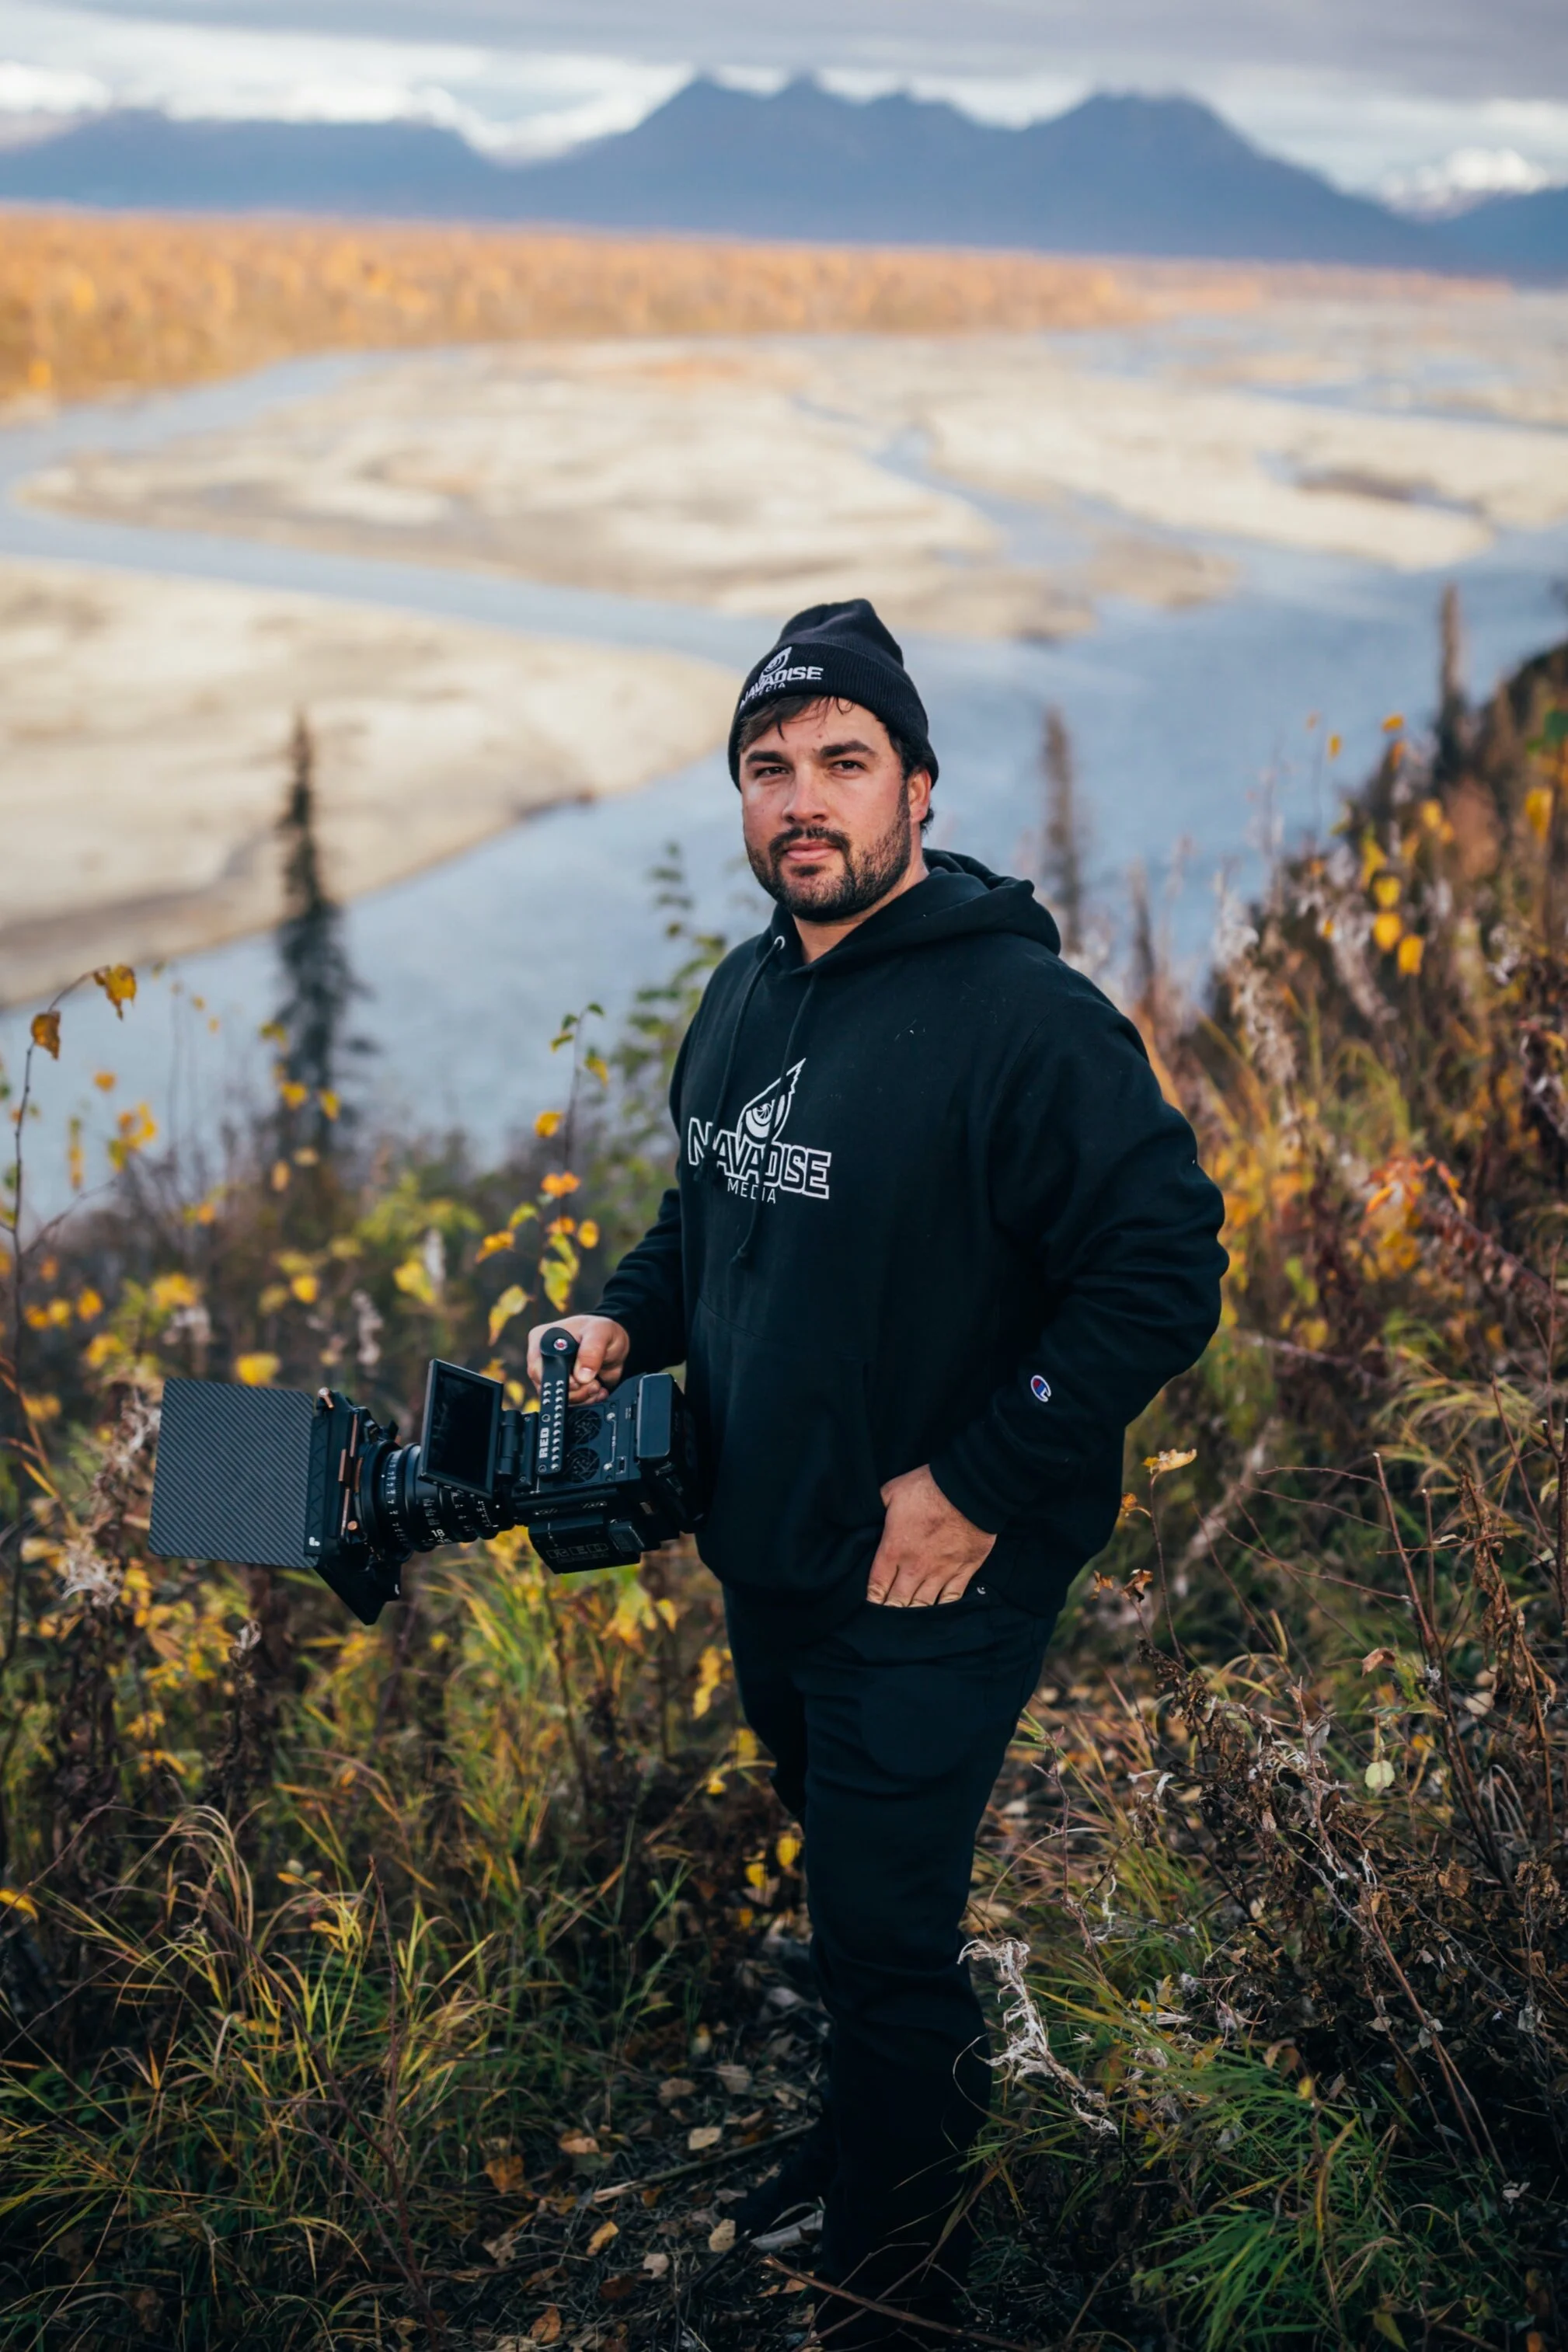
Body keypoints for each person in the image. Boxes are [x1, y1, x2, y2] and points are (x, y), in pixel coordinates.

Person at [527, 599, 1226, 2347]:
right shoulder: (751, 982)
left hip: (934, 1570)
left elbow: (1162, 1262)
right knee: (839, 1875)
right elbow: (713, 1206)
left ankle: (892, 2279)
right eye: (770, 769)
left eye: (843, 761)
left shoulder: (1019, 1017)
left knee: (883, 1937)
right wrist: (624, 1321)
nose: (802, 799)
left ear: (919, 782)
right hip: (769, 1544)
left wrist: (978, 1481)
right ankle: (877, 2143)